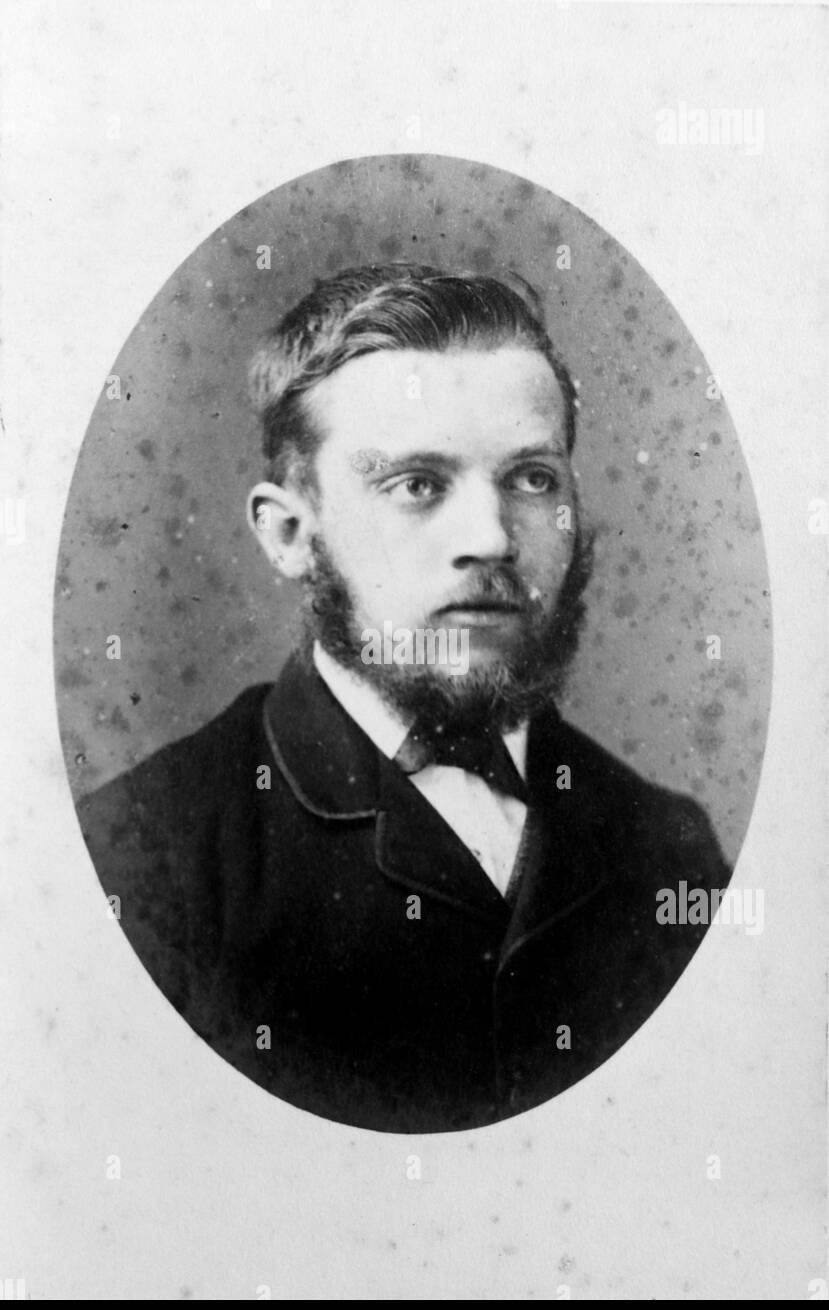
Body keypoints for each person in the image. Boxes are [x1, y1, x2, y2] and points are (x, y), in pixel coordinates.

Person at [78, 263, 730, 1133]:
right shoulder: (148, 856)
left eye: (531, 479)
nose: (491, 538)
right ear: (290, 534)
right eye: (418, 484)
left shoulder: (666, 846)